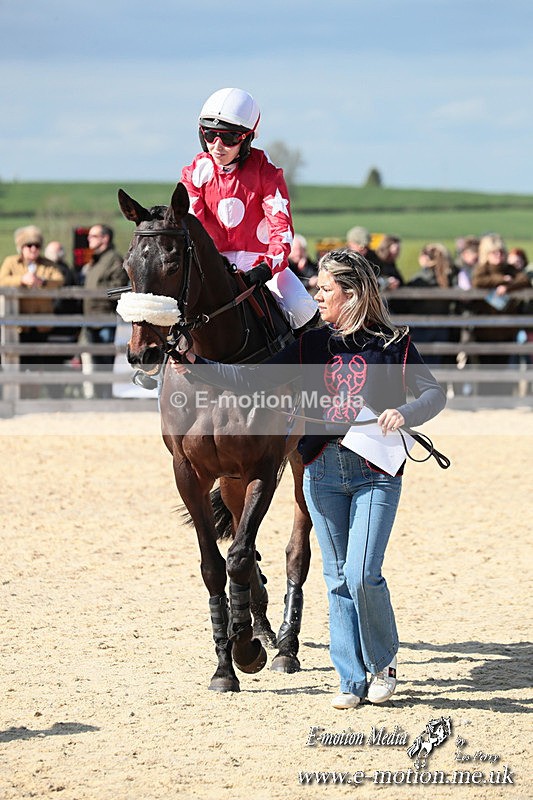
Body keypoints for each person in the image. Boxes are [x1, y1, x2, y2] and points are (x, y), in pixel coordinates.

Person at [172, 249, 446, 708]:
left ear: (352, 294)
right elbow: (253, 379)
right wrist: (199, 368)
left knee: (361, 573)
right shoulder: (311, 344)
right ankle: (350, 680)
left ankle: (383, 663)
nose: (317, 296)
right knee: (336, 577)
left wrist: (406, 411)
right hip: (322, 472)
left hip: (375, 473)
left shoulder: (393, 343)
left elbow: (434, 392)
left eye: (325, 289)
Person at [180, 87, 319, 335]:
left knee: (303, 309)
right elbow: (191, 227)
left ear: (246, 138)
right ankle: (153, 372)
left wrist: (266, 268)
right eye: (210, 135)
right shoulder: (194, 173)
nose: (218, 145)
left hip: (261, 265)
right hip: (213, 264)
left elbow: (282, 233)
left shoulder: (266, 174)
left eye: (229, 137)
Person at [0, 225, 66, 397]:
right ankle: (18, 396)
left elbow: (59, 280)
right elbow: (3, 280)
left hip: (42, 324)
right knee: (18, 363)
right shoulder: (11, 262)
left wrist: (42, 281)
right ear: (21, 248)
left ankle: (38, 396)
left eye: (36, 245)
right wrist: (21, 280)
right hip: (18, 325)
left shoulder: (47, 264)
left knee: (40, 364)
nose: (33, 249)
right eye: (29, 245)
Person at [81, 224, 127, 398]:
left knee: (106, 361)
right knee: (96, 361)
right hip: (91, 319)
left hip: (105, 318)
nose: (89, 239)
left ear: (105, 238)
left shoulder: (114, 259)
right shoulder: (96, 260)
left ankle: (107, 396)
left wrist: (97, 292)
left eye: (93, 236)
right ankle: (100, 396)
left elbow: (118, 288)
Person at [406, 243, 456, 365]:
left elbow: (405, 302)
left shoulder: (420, 278)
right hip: (441, 327)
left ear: (425, 258)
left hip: (421, 328)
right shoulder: (448, 277)